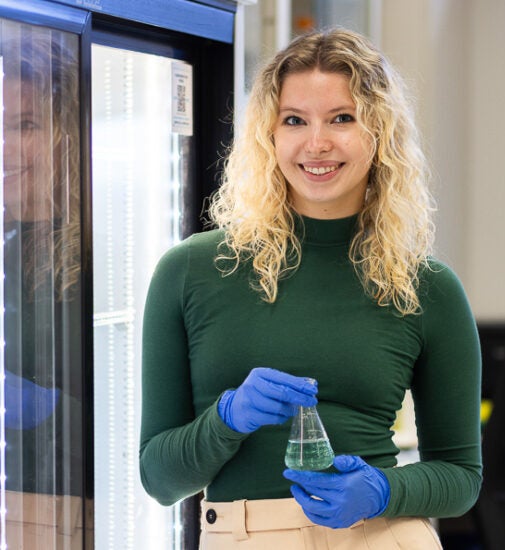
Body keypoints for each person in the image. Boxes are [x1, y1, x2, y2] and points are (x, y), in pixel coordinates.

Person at [139, 27, 482, 549]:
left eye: (342, 119)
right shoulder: (191, 271)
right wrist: (226, 419)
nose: (317, 143)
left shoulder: (426, 286)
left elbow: (461, 477)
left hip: (381, 536)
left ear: (379, 133)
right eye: (294, 120)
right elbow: (160, 480)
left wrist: (382, 489)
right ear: (269, 135)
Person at [2, 27, 85, 548]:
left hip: (67, 504)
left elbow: (136, 420)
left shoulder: (98, 254)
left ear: (68, 134)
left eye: (25, 125)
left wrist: (47, 408)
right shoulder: (9, 247)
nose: (6, 148)